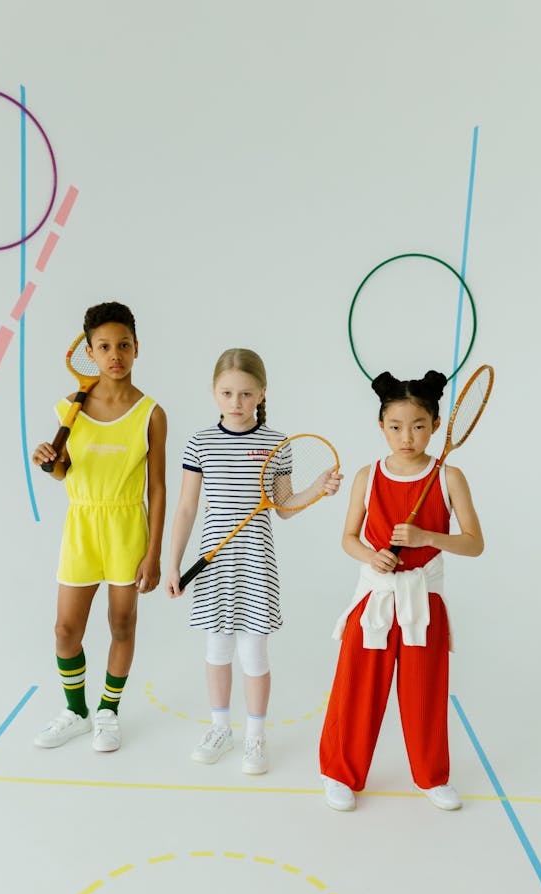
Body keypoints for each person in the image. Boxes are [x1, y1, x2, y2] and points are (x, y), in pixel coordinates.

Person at [166, 348, 341, 775]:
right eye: (227, 393)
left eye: (246, 394)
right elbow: (187, 507)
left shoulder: (277, 444)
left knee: (254, 654)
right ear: (213, 393)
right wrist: (174, 563)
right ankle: (220, 729)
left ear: (262, 393)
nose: (236, 403)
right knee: (217, 649)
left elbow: (283, 506)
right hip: (213, 564)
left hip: (256, 564)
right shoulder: (200, 442)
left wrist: (317, 489)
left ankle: (255, 737)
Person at [319, 370, 483, 812]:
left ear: (434, 425)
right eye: (395, 426)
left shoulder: (450, 477)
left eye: (417, 426)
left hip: (422, 602)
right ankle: (340, 773)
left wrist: (429, 538)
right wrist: (371, 556)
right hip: (374, 599)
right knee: (356, 689)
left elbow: (474, 543)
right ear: (381, 426)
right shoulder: (366, 476)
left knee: (425, 691)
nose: (406, 436)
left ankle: (432, 777)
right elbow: (349, 538)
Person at [32, 301, 167, 752]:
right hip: (82, 525)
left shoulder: (151, 412)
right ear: (89, 352)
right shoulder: (69, 408)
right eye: (105, 346)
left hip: (128, 526)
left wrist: (154, 552)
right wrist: (49, 461)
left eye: (123, 345)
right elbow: (63, 472)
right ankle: (76, 710)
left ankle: (109, 710)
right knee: (65, 630)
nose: (115, 355)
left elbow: (158, 488)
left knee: (122, 624)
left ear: (136, 349)